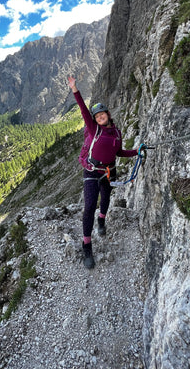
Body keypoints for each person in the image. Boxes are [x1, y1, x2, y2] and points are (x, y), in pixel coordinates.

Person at [68, 75, 141, 269]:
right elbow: (84, 110)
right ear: (96, 120)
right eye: (98, 117)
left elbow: (119, 152)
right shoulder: (94, 130)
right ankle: (87, 245)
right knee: (90, 205)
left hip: (109, 170)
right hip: (92, 171)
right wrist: (75, 89)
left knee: (106, 199)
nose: (101, 118)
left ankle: (102, 221)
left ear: (108, 115)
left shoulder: (116, 133)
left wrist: (137, 151)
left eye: (103, 115)